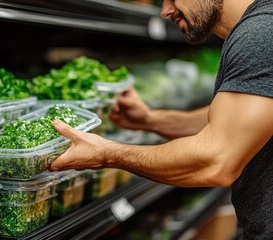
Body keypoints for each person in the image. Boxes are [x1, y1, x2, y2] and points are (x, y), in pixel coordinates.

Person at [48, 0, 273, 238]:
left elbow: (215, 161)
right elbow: (231, 122)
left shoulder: (260, 32)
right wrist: (149, 119)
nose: (165, 11)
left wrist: (106, 153)